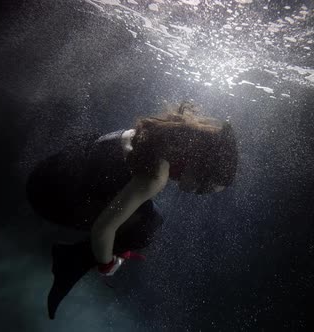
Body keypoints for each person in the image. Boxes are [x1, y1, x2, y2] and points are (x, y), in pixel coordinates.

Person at [26, 101, 238, 318]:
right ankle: (70, 261)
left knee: (145, 212)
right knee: (148, 225)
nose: (196, 193)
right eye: (204, 188)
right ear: (202, 165)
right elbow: (102, 230)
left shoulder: (160, 136)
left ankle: (77, 257)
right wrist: (106, 264)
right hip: (46, 194)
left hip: (48, 170)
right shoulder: (155, 175)